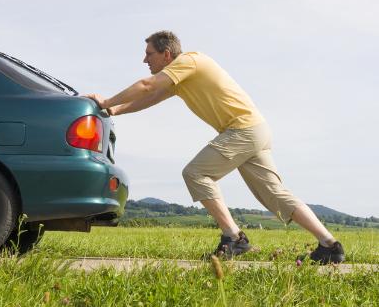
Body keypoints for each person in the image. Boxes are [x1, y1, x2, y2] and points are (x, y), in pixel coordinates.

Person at [85, 30, 345, 264]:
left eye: (149, 54)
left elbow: (146, 85)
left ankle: (234, 237)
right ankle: (330, 246)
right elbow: (151, 96)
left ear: (166, 54)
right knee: (274, 194)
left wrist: (106, 99)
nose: (145, 60)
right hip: (255, 129)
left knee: (196, 173)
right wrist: (113, 109)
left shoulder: (189, 61)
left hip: (242, 129)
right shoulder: (181, 77)